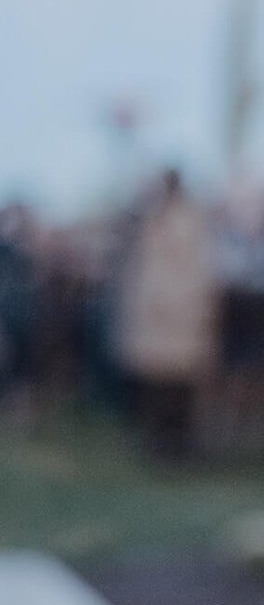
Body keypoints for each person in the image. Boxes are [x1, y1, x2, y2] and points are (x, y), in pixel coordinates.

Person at [114, 169, 218, 458]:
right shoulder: (153, 216)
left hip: (181, 308)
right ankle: (158, 441)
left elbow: (193, 261)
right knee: (156, 383)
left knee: (179, 383)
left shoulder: (189, 219)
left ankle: (178, 442)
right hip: (156, 310)